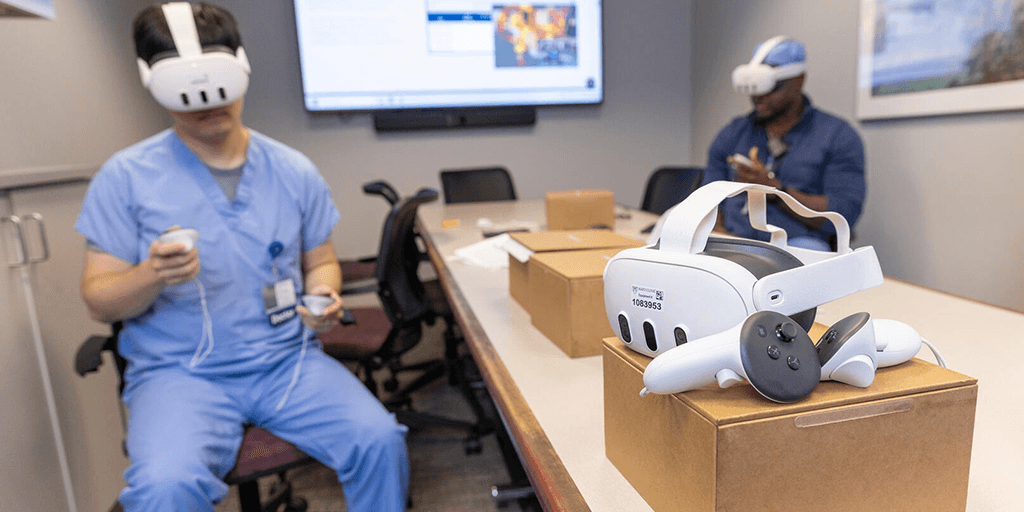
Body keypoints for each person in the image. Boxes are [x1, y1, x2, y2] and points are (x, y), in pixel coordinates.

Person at [75, 3, 409, 511]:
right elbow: (99, 300)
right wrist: (151, 274)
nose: (208, 105)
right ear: (153, 82)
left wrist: (323, 292)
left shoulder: (293, 170)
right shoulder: (125, 178)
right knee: (165, 488)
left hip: (285, 362)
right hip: (180, 374)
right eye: (189, 96)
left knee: (379, 440)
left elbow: (320, 260)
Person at [702, 36, 866, 251]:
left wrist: (777, 192)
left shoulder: (837, 136)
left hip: (798, 245)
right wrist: (720, 239)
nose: (759, 98)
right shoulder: (733, 133)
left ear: (799, 80)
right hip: (734, 241)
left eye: (771, 88)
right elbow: (708, 201)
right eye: (754, 89)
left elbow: (843, 214)